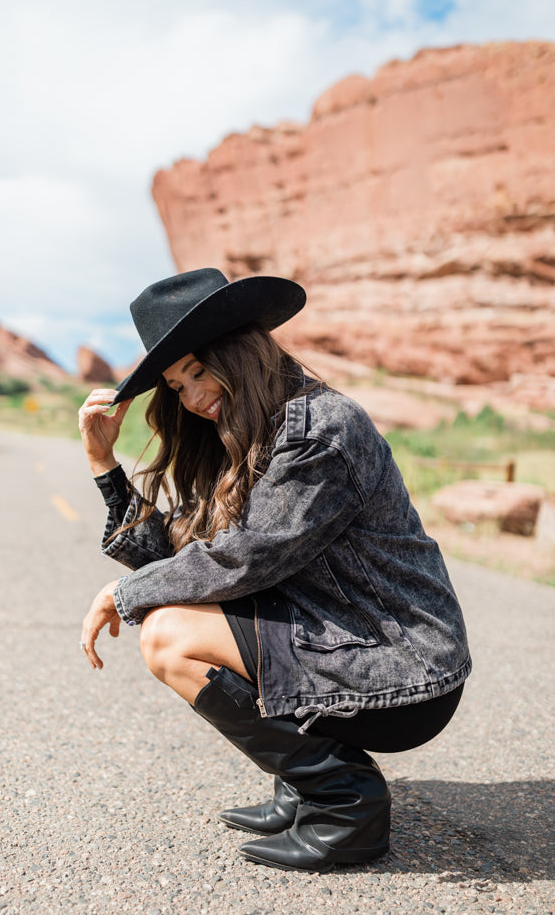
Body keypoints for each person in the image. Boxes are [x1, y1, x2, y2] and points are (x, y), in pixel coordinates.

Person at [78, 267, 471, 873]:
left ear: (239, 350)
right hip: (343, 638)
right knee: (179, 611)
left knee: (166, 637)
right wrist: (106, 465)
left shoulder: (319, 431)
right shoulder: (248, 436)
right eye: (178, 386)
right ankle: (302, 783)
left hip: (403, 664)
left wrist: (124, 592)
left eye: (199, 371)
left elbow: (241, 560)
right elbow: (181, 564)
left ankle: (345, 805)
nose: (193, 397)